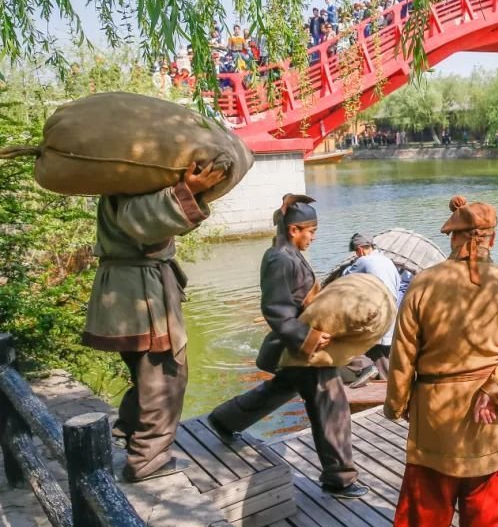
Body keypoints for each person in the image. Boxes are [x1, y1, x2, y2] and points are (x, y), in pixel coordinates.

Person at [383, 195, 498, 527]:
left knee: (426, 499)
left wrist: (398, 404)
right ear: (492, 238)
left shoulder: (424, 284)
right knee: (483, 501)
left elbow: (402, 355)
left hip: (435, 411)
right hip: (492, 417)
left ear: (453, 237)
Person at [209, 194, 367, 499]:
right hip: (300, 347)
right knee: (331, 406)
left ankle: (225, 418)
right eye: (311, 231)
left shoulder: (287, 254)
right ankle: (339, 479)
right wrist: (310, 337)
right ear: (294, 230)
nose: (314, 237)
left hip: (299, 345)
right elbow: (276, 311)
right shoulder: (280, 259)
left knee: (282, 388)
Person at [84, 162, 224, 482]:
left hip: (128, 285)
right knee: (165, 375)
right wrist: (189, 190)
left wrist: (189, 193)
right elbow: (147, 227)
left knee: (145, 372)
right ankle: (148, 459)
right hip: (139, 290)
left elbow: (161, 222)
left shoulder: (122, 180)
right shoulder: (132, 185)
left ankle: (129, 431)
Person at [341, 232, 401, 383]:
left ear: (360, 250)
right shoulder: (388, 261)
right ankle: (386, 383)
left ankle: (364, 366)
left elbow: (344, 279)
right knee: (381, 351)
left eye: (356, 252)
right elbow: (398, 284)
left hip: (376, 315)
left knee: (343, 340)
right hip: (392, 313)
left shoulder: (364, 261)